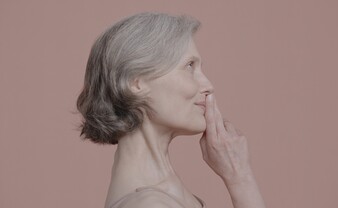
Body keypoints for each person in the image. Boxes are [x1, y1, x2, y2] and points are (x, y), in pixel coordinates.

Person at [76, 12, 266, 208]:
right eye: (189, 66)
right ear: (136, 82)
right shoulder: (149, 205)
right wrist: (240, 177)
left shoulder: (164, 190)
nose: (208, 85)